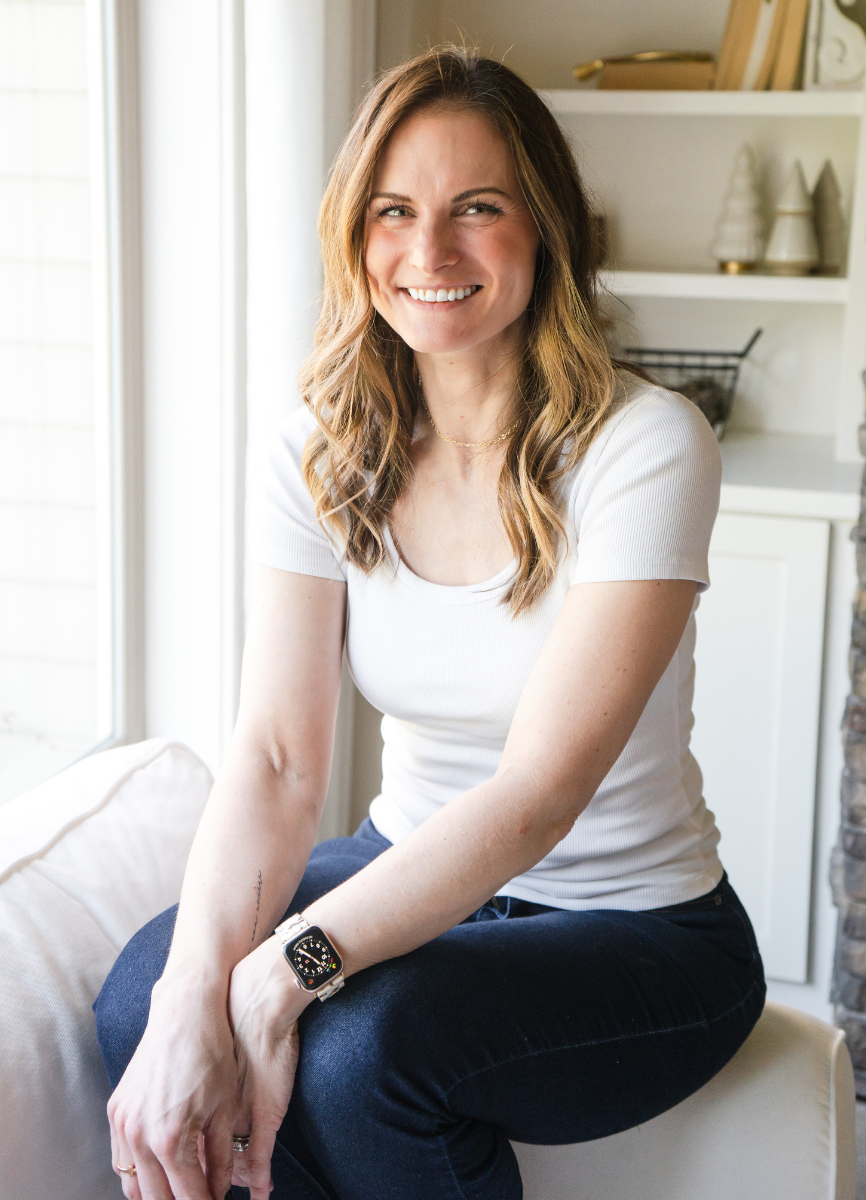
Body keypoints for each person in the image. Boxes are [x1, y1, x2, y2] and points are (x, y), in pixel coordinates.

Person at [94, 45, 765, 1200]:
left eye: (477, 209)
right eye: (392, 211)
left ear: (544, 225)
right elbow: (276, 756)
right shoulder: (317, 443)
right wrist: (199, 984)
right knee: (142, 995)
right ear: (353, 234)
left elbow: (534, 793)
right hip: (405, 861)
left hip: (634, 926)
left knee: (362, 1051)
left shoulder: (643, 446)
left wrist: (279, 976)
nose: (429, 252)